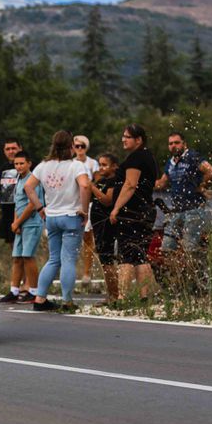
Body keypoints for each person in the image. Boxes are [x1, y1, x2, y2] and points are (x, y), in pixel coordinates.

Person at [24, 131, 90, 312]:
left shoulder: (43, 166)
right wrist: (84, 211)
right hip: (70, 216)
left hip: (51, 216)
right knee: (68, 259)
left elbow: (28, 186)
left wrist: (39, 208)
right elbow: (84, 185)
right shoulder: (76, 165)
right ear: (71, 147)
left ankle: (40, 298)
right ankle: (67, 301)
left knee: (53, 259)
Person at [154, 132, 212, 279]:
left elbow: (211, 172)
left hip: (194, 210)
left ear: (184, 144)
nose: (173, 146)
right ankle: (176, 280)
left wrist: (202, 186)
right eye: (170, 143)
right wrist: (141, 183)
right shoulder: (171, 162)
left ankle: (197, 280)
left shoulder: (192, 157)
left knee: (190, 249)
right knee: (167, 247)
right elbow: (162, 183)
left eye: (177, 143)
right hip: (176, 210)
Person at [110, 124, 159, 302]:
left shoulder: (136, 158)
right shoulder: (149, 157)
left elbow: (130, 185)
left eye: (127, 137)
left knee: (126, 255)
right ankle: (143, 296)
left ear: (138, 140)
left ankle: (122, 297)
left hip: (131, 211)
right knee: (140, 255)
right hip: (146, 210)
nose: (123, 139)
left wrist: (116, 208)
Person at [0, 151, 43, 304]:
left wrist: (18, 222)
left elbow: (31, 205)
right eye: (16, 164)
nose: (18, 166)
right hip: (21, 224)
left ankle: (34, 291)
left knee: (28, 257)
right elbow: (18, 203)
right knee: (17, 257)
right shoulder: (18, 179)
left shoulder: (33, 180)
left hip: (31, 223)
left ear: (29, 163)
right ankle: (14, 291)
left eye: (22, 163)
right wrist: (15, 222)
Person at [90, 153, 120, 304]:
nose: (101, 168)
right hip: (97, 224)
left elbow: (107, 200)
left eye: (104, 165)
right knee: (103, 260)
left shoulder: (114, 181)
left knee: (107, 259)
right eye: (99, 164)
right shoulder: (101, 181)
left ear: (114, 166)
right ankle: (111, 294)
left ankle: (114, 295)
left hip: (106, 224)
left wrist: (92, 187)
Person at [73, 135, 100, 286]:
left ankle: (87, 272)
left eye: (82, 146)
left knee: (89, 239)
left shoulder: (92, 163)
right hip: (73, 202)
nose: (79, 149)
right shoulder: (71, 163)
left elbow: (97, 181)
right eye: (77, 146)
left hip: (88, 202)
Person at [0, 137, 24, 246]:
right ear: (4, 151)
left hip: (23, 212)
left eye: (14, 148)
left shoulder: (29, 166)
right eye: (8, 149)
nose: (11, 151)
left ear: (20, 148)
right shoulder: (2, 169)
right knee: (14, 250)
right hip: (7, 214)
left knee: (26, 252)